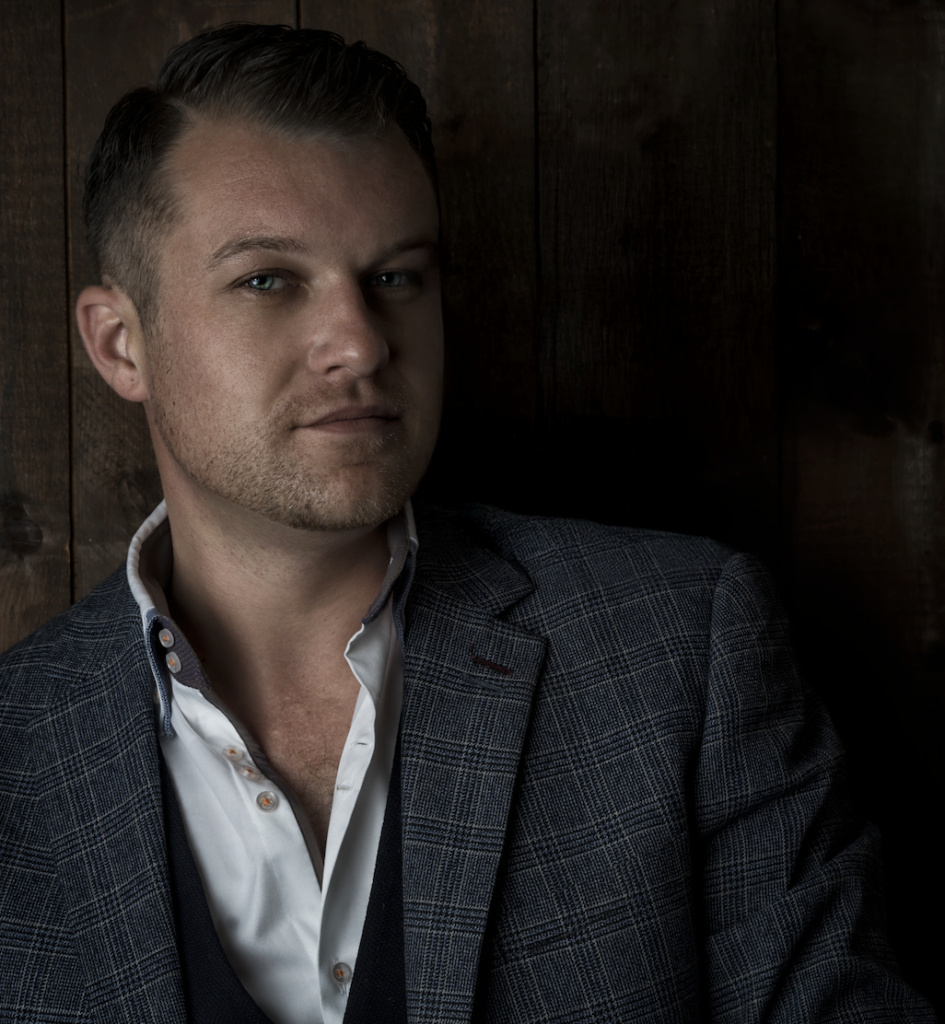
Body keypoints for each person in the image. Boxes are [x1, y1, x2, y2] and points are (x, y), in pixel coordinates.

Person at [0, 22, 934, 1024]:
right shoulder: (16, 751)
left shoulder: (680, 651)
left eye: (396, 276)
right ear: (120, 343)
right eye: (268, 279)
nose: (360, 342)